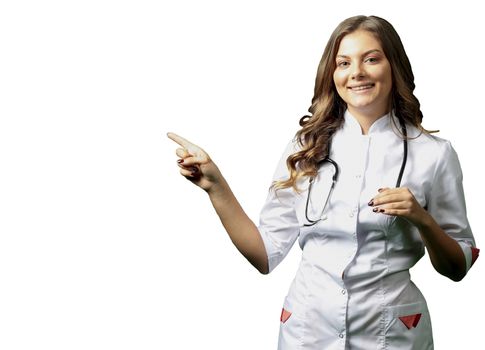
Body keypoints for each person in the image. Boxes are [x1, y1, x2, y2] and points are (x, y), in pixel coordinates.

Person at [167, 15, 479, 349]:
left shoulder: (433, 154)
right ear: (333, 74)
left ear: (394, 67)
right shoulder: (306, 147)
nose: (356, 72)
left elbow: (458, 266)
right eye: (343, 62)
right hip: (308, 327)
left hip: (391, 331)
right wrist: (216, 186)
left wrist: (421, 218)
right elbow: (264, 254)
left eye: (371, 59)